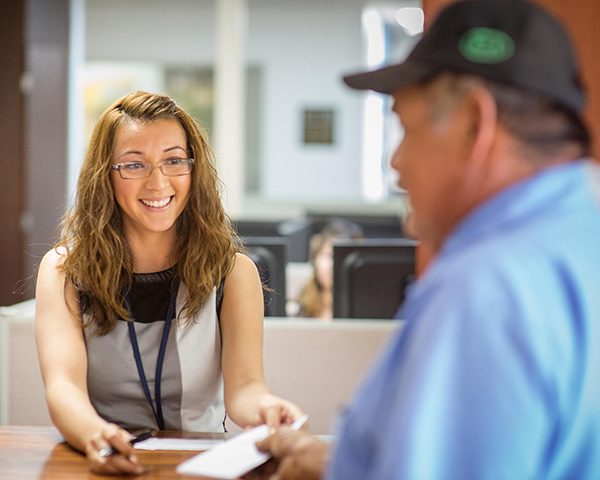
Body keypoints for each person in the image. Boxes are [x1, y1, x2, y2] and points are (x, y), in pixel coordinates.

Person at [257, 1, 600, 478]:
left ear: (475, 123)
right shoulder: (581, 236)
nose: (396, 163)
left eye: (407, 127)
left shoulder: (486, 287)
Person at [34, 91, 302, 475]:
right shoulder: (65, 271)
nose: (158, 182)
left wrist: (266, 408)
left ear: (194, 170)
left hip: (203, 464)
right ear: (105, 175)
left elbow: (244, 386)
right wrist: (97, 435)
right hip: (106, 457)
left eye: (174, 160)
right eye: (134, 165)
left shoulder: (233, 273)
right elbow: (64, 388)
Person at [296, 219, 363, 319]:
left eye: (342, 259)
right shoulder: (297, 309)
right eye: (329, 255)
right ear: (315, 258)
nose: (334, 265)